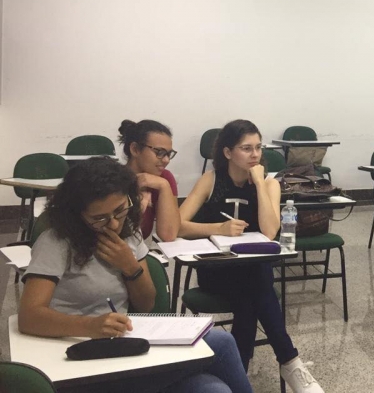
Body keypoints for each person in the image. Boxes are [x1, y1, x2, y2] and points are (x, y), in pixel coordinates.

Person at [18, 157, 252, 393]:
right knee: (221, 346)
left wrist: (130, 267)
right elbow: (29, 317)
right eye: (99, 218)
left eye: (120, 210)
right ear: (77, 214)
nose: (113, 224)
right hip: (77, 355)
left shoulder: (129, 235)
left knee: (214, 388)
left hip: (124, 346)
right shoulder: (56, 243)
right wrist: (90, 326)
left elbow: (146, 304)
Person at [179, 119, 323, 393]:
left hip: (253, 268)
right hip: (217, 269)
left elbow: (269, 231)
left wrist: (258, 183)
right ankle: (290, 362)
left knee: (249, 298)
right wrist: (217, 228)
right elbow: (176, 225)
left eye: (258, 147)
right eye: (246, 148)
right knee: (258, 289)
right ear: (227, 152)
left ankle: (241, 377)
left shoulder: (269, 183)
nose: (255, 154)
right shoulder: (211, 180)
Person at [118, 119, 181, 241]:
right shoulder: (114, 181)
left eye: (169, 154)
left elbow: (169, 235)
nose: (166, 160)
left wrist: (164, 186)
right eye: (159, 152)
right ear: (135, 149)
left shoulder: (164, 178)